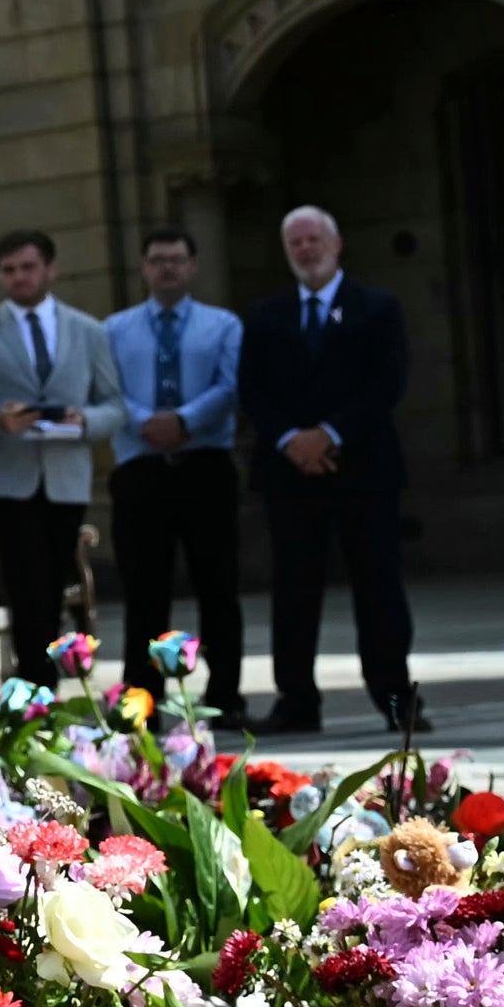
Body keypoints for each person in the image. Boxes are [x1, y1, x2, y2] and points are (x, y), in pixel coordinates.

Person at [237, 204, 427, 739]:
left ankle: (396, 701)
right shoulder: (266, 316)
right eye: (295, 241)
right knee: (294, 591)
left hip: (364, 470)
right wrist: (291, 441)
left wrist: (330, 433)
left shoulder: (377, 308)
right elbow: (251, 390)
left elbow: (387, 383)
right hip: (289, 474)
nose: (305, 249)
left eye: (314, 238)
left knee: (380, 589)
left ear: (337, 243)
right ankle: (296, 701)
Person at [0, 230, 120, 696]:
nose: (19, 278)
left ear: (50, 269)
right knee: (24, 588)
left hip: (65, 476)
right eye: (9, 270)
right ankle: (34, 687)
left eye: (28, 267)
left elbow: (115, 406)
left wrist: (84, 421)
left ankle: (59, 678)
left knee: (58, 583)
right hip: (8, 479)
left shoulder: (87, 330)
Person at [107, 225, 248, 718]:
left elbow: (230, 386)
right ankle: (141, 698)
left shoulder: (224, 325)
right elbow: (109, 389)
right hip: (140, 468)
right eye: (157, 260)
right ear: (144, 268)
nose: (167, 267)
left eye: (176, 259)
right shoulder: (115, 330)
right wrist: (145, 421)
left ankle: (225, 695)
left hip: (204, 465)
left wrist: (184, 420)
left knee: (218, 586)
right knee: (144, 590)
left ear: (193, 266)